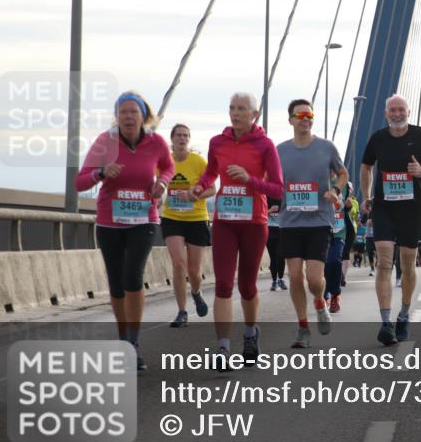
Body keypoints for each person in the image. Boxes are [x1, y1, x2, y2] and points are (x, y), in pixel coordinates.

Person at [76, 91, 174, 370]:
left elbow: (168, 167)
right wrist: (102, 173)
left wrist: (163, 184)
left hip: (144, 219)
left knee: (133, 277)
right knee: (117, 283)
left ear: (144, 115)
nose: (128, 117)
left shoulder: (156, 142)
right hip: (109, 221)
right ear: (116, 116)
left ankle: (133, 342)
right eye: (123, 112)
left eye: (133, 112)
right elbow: (80, 182)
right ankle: (123, 337)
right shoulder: (105, 142)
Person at [190, 92, 283, 367]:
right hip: (224, 222)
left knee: (247, 285)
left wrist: (250, 180)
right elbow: (211, 173)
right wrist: (199, 186)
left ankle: (251, 333)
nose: (236, 113)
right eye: (232, 108)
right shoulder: (217, 142)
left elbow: (278, 188)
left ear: (254, 115)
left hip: (254, 223)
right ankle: (222, 348)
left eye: (242, 109)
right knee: (222, 284)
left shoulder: (266, 145)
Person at [361, 94, 421, 345]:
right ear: (386, 114)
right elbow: (366, 167)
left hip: (412, 210)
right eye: (392, 110)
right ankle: (386, 322)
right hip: (384, 208)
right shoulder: (377, 138)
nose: (397, 114)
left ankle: (404, 314)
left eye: (401, 110)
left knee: (407, 265)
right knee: (385, 262)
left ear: (408, 112)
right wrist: (366, 195)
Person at [276, 99, 345, 344]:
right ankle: (302, 327)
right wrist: (273, 196)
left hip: (319, 221)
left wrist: (335, 190)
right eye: (300, 114)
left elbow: (343, 173)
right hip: (291, 222)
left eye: (309, 114)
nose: (305, 118)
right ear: (291, 120)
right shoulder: (280, 150)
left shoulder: (326, 147)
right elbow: (271, 179)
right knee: (294, 276)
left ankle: (320, 301)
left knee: (314, 280)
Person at [161, 123, 213, 327]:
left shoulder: (198, 161)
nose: (182, 139)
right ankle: (182, 312)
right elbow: (157, 183)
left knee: (194, 270)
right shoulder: (164, 161)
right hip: (172, 218)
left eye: (186, 136)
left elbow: (212, 190)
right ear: (172, 139)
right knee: (178, 264)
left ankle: (196, 292)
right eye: (179, 135)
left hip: (196, 219)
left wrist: (194, 194)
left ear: (189, 140)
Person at [266, 198, 286, 291]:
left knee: (281, 256)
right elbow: (259, 212)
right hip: (269, 230)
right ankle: (274, 281)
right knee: (273, 257)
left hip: (282, 230)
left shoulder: (284, 197)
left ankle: (281, 279)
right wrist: (269, 210)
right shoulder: (265, 196)